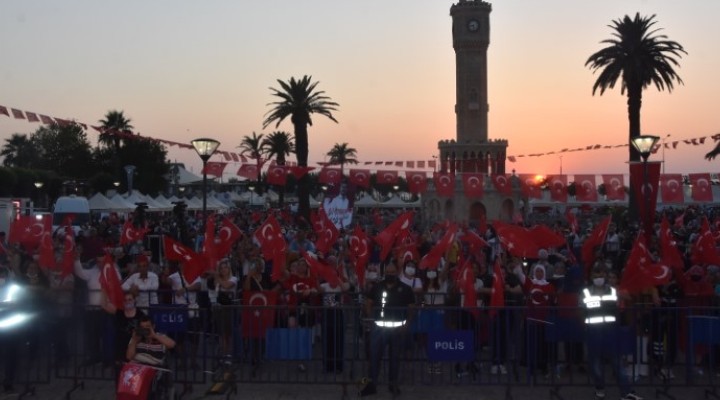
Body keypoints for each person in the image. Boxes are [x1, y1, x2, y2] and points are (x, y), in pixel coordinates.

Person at [583, 266, 642, 400]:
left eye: (601, 274)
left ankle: (626, 392)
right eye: (596, 274)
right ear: (592, 276)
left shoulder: (613, 291)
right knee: (596, 362)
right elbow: (582, 312)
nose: (599, 277)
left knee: (617, 362)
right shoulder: (585, 292)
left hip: (611, 331)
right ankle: (599, 387)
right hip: (593, 331)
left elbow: (620, 306)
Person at [360, 263, 416, 397]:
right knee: (374, 358)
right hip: (379, 329)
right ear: (385, 273)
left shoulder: (406, 288)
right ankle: (371, 385)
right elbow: (368, 302)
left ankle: (393, 384)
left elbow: (411, 307)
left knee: (395, 358)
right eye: (388, 272)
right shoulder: (377, 287)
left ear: (397, 272)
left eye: (393, 272)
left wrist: (407, 324)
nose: (390, 274)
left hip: (397, 330)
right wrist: (371, 319)